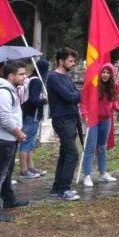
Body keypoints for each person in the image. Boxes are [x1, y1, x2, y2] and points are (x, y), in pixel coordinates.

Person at [0, 60, 29, 222]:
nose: (24, 77)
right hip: (1, 140)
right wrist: (19, 134)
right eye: (21, 74)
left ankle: (9, 200)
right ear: (11, 75)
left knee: (7, 172)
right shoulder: (3, 92)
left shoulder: (10, 90)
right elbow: (5, 120)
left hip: (8, 139)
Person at [47, 47, 82, 201]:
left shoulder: (67, 77)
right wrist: (76, 96)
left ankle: (57, 187)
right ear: (61, 61)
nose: (73, 63)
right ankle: (64, 189)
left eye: (74, 61)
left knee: (65, 153)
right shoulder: (53, 77)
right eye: (70, 61)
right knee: (72, 154)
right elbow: (70, 96)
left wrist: (76, 96)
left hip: (71, 119)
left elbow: (75, 94)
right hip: (62, 119)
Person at [81, 63, 119, 187]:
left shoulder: (112, 87)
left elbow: (113, 101)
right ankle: (87, 175)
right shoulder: (93, 86)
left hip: (106, 119)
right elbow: (84, 101)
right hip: (93, 119)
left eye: (108, 73)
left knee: (102, 147)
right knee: (90, 148)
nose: (105, 75)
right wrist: (85, 115)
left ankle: (102, 173)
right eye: (103, 72)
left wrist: (115, 106)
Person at [18, 59, 49, 179]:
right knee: (26, 143)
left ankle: (30, 167)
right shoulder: (37, 81)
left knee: (30, 143)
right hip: (32, 115)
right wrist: (45, 100)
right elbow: (33, 100)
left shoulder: (31, 78)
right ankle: (24, 170)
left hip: (29, 114)